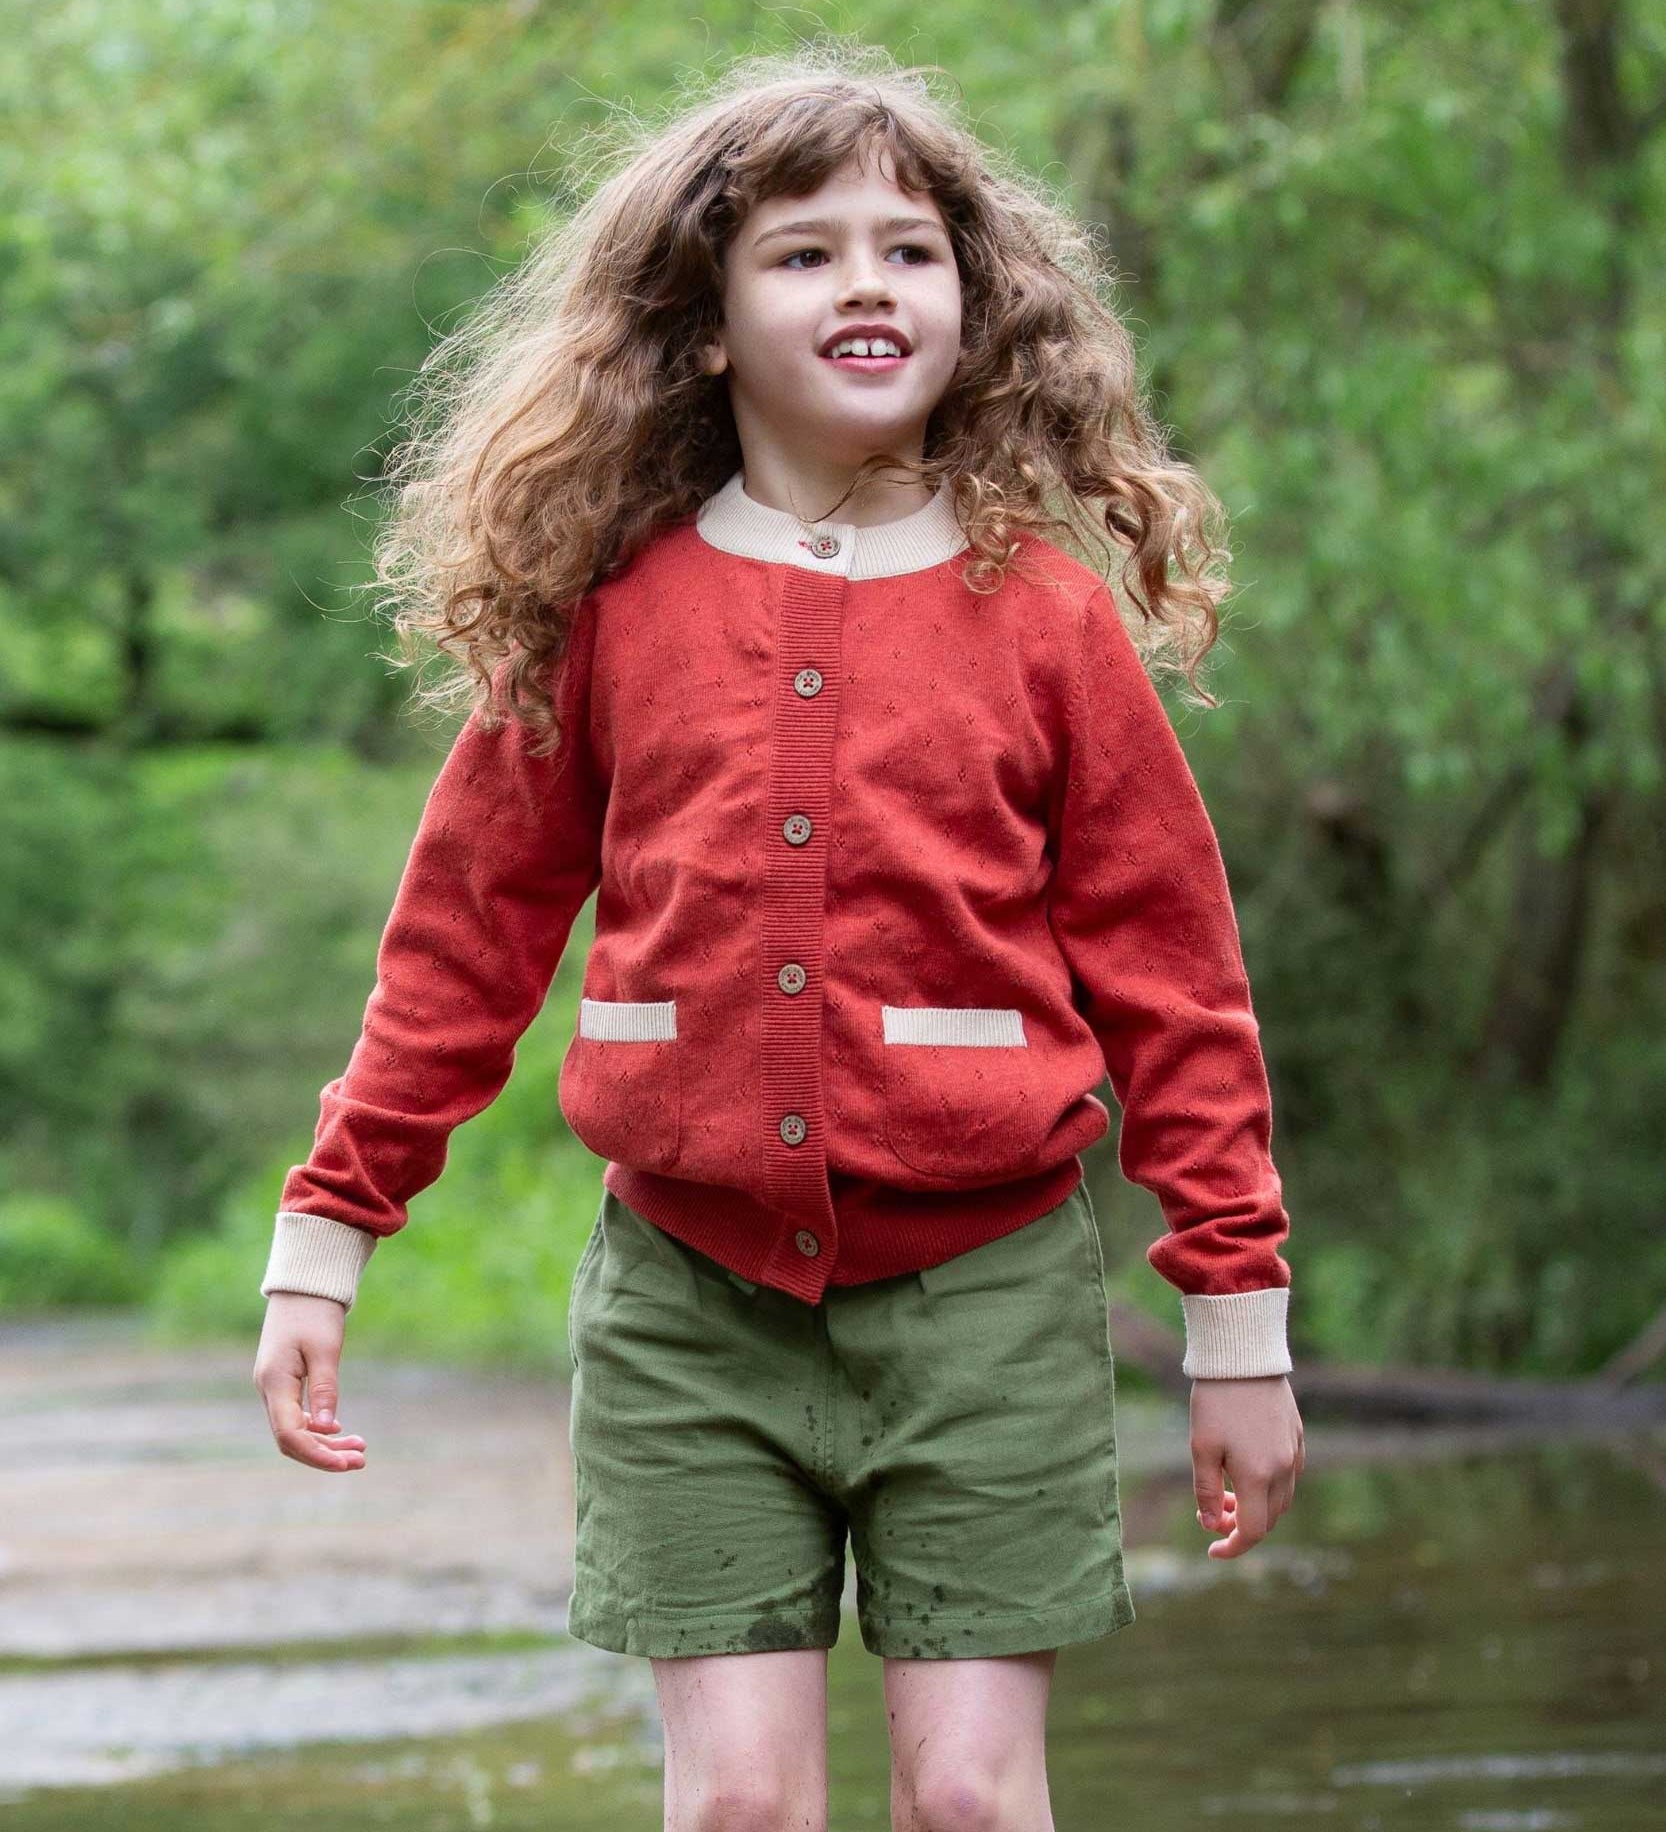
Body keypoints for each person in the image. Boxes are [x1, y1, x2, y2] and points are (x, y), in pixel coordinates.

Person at [252, 42, 1304, 1831]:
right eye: (803, 252)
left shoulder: (1043, 621)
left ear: (977, 309)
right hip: (689, 1306)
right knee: (738, 1807)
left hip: (986, 1301)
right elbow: (462, 943)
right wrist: (329, 1227)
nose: (867, 282)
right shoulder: (607, 614)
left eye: (910, 248)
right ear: (707, 323)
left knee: (970, 1798)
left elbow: (1174, 985)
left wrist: (1235, 1314)